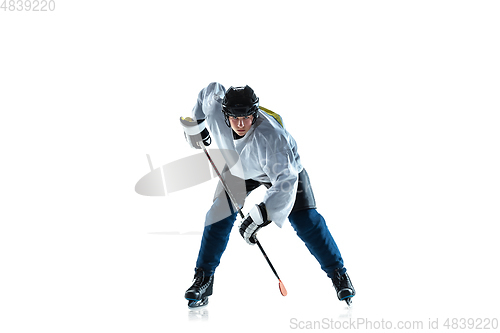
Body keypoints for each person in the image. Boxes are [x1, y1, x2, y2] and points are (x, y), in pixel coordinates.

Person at [180, 82, 355, 308]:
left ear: (255, 113)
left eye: (247, 117)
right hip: (239, 168)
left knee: (306, 222)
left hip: (284, 171)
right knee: (218, 215)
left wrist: (260, 216)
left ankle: (339, 275)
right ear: (224, 113)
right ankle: (203, 278)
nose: (241, 124)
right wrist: (196, 125)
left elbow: (286, 181)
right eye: (234, 117)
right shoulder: (215, 108)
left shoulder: (272, 137)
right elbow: (210, 90)